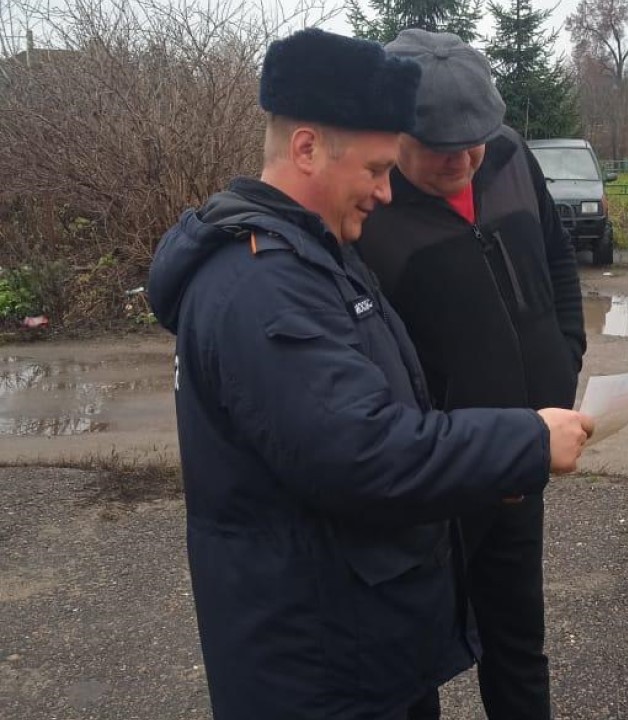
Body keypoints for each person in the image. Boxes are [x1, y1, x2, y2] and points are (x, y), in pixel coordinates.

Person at [146, 29, 592, 720]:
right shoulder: (265, 288)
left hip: (354, 632)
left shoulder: (314, 254)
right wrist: (525, 443)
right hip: (316, 665)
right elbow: (362, 452)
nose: (388, 193)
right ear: (305, 149)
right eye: (378, 169)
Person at [357, 29, 586, 720]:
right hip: (434, 483)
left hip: (521, 462)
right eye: (439, 146)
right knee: (409, 660)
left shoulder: (512, 157)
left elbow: (558, 265)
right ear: (395, 132)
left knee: (519, 646)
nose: (462, 159)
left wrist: (565, 357)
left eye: (474, 140)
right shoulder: (368, 206)